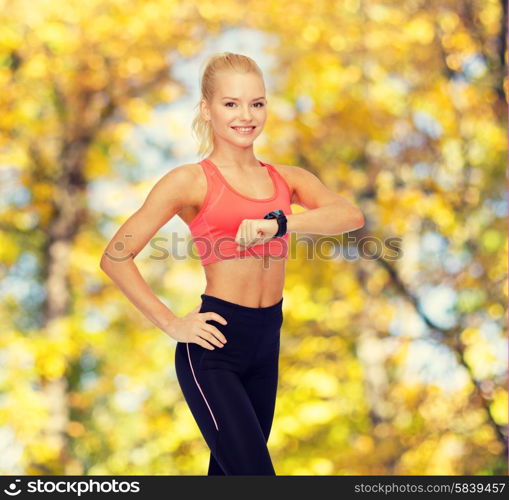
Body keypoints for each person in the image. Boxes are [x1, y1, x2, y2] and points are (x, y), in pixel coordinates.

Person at [100, 52, 365, 475]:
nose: (247, 115)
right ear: (207, 109)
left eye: (256, 103)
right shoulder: (189, 180)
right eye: (231, 104)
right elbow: (115, 257)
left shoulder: (285, 179)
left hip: (267, 340)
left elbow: (350, 215)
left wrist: (277, 224)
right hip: (215, 346)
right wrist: (173, 324)